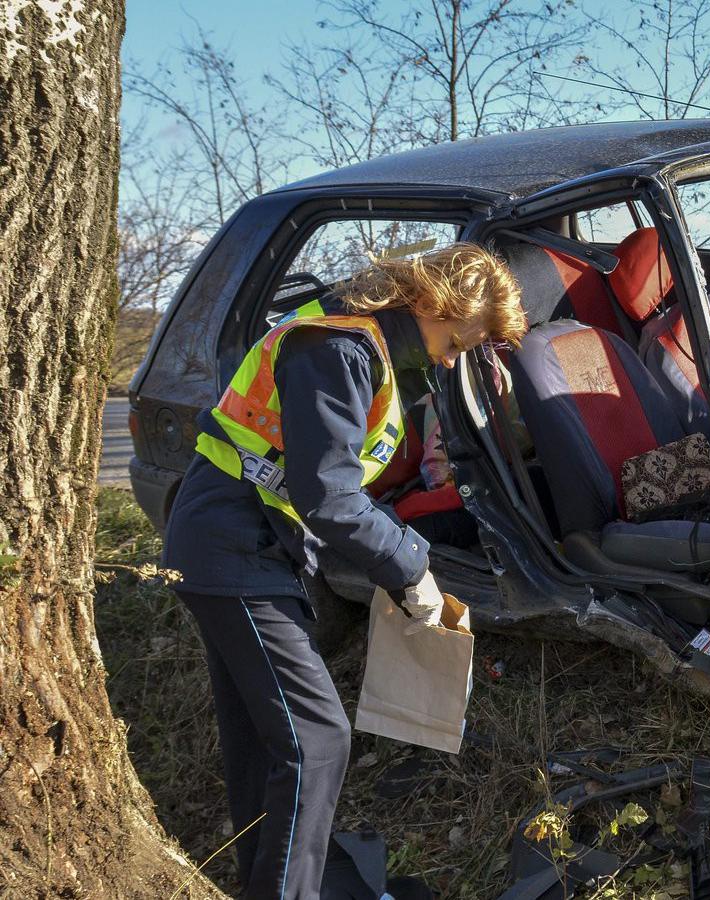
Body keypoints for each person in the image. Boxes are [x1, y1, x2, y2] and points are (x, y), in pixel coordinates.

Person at [161, 242, 526, 899]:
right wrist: (409, 566)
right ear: (430, 303)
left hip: (255, 548)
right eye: (455, 341)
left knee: (262, 740)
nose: (454, 358)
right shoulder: (340, 348)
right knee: (318, 740)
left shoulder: (368, 351)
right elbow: (327, 495)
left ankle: (268, 884)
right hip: (234, 547)